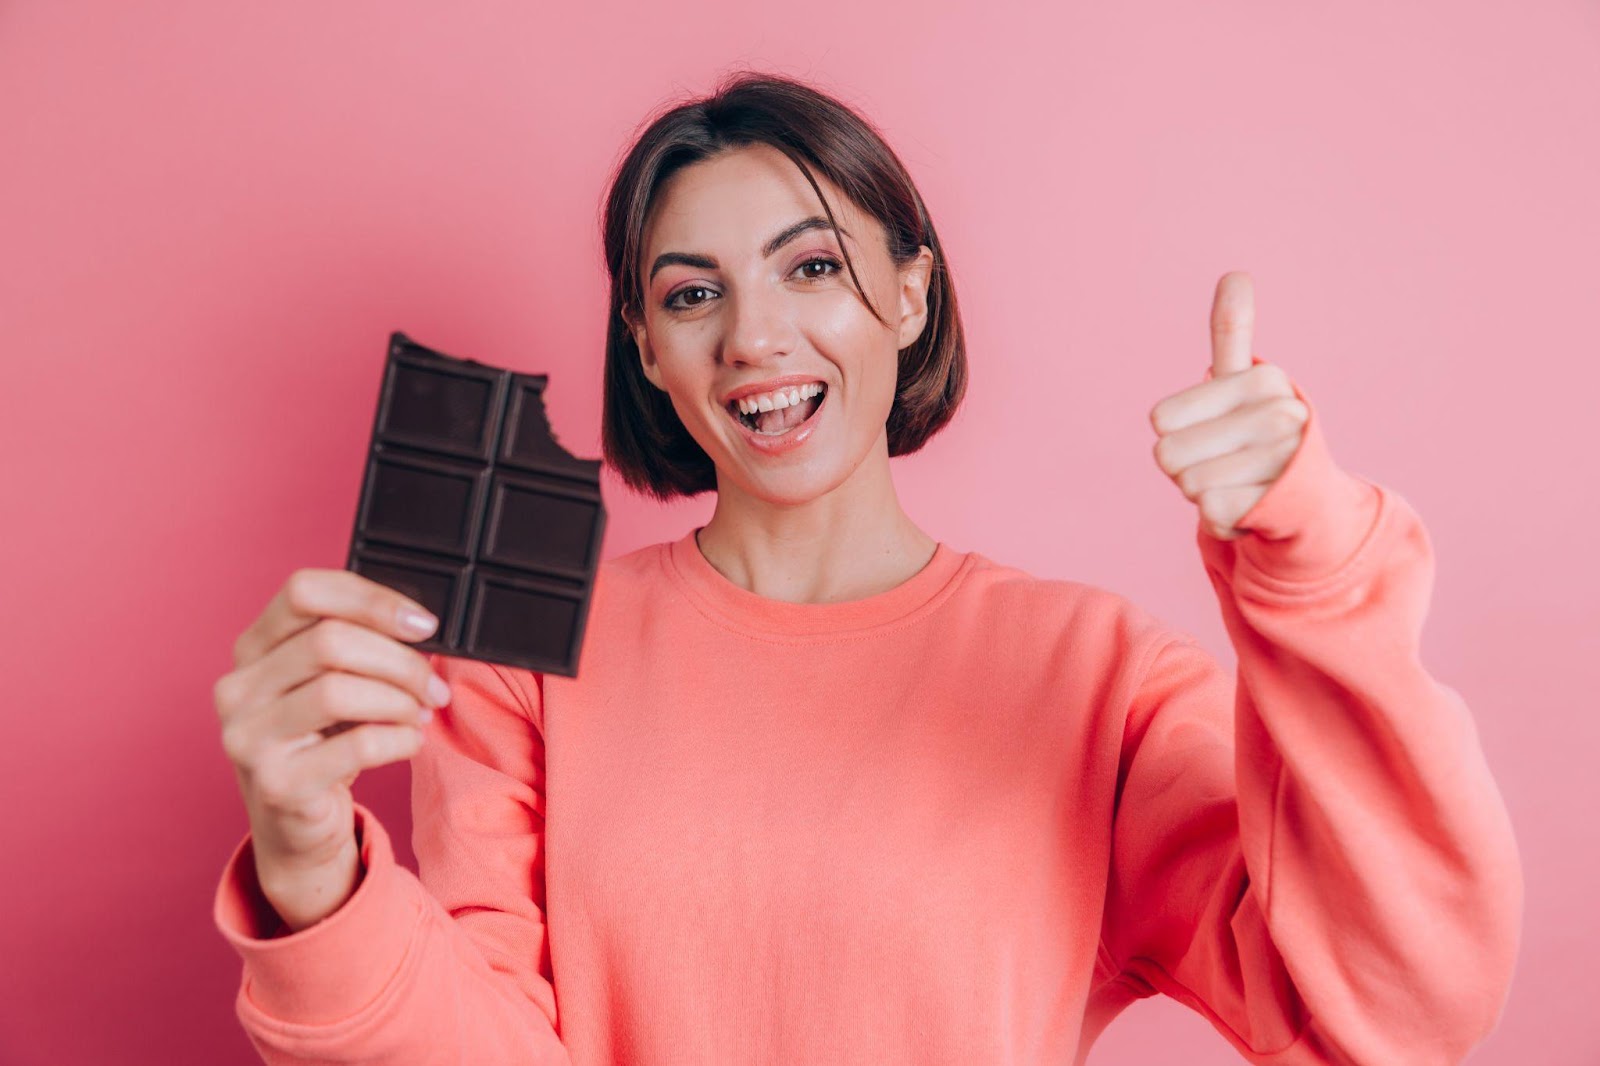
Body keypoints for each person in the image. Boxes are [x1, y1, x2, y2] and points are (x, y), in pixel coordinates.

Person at [211, 71, 1522, 1065]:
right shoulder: (521, 664)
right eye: (691, 294)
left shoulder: (1094, 674)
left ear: (911, 295)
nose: (755, 336)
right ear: (648, 350)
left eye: (815, 266)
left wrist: (1311, 566)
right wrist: (308, 860)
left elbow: (1391, 1007)